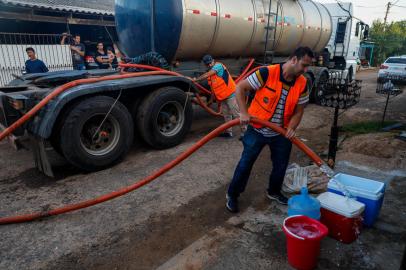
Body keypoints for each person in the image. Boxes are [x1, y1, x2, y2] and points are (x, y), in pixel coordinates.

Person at [225, 47, 314, 213]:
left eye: (308, 66)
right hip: (257, 129)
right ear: (294, 59)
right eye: (304, 65)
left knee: (280, 166)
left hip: (280, 133)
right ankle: (232, 194)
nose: (305, 70)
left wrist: (291, 128)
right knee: (245, 164)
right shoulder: (267, 73)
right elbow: (240, 88)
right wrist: (244, 112)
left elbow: (299, 110)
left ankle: (273, 191)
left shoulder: (302, 83)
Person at [194, 55, 244, 138]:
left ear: (213, 61)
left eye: (210, 63)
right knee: (227, 115)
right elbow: (213, 89)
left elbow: (206, 75)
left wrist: (195, 80)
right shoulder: (210, 75)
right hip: (223, 97)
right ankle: (229, 133)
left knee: (237, 114)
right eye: (207, 64)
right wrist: (211, 99)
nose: (209, 65)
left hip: (231, 94)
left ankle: (245, 132)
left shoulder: (218, 66)